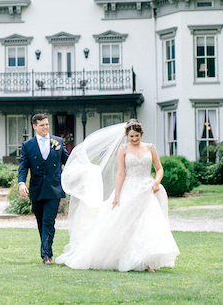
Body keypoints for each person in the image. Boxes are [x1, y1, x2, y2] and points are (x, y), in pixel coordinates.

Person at [56, 119, 180, 271]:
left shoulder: (150, 148)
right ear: (127, 135)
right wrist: (117, 196)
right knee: (125, 224)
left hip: (147, 189)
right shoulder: (123, 149)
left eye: (137, 136)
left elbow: (159, 169)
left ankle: (148, 261)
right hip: (129, 189)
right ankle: (125, 257)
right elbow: (121, 174)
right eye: (131, 136)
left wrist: (156, 181)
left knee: (147, 224)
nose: (134, 139)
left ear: (141, 134)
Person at [17, 113, 70, 265]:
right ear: (35, 127)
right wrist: (21, 183)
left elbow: (68, 160)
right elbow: (23, 166)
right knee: (41, 221)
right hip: (37, 188)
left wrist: (82, 169)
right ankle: (47, 251)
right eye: (42, 125)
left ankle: (45, 255)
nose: (45, 127)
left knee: (48, 221)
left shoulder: (58, 141)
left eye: (47, 124)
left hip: (54, 188)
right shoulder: (28, 145)